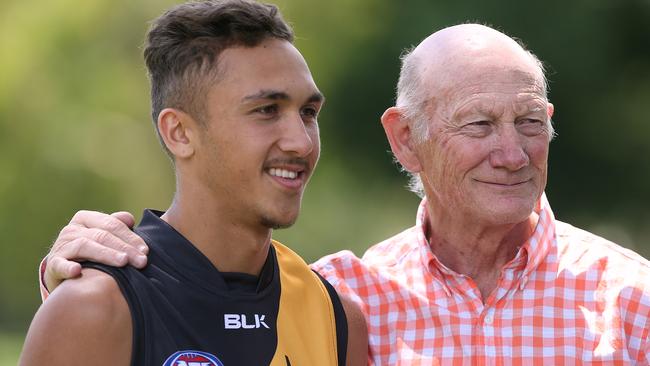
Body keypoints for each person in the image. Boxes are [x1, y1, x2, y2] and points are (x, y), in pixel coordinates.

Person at [35, 23, 650, 364]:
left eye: (530, 123)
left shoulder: (635, 299)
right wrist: (72, 293)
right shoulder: (351, 298)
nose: (512, 153)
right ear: (405, 140)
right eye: (479, 125)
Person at [19, 1, 367, 365]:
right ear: (180, 132)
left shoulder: (338, 318)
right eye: (267, 110)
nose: (302, 142)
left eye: (308, 113)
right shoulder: (92, 308)